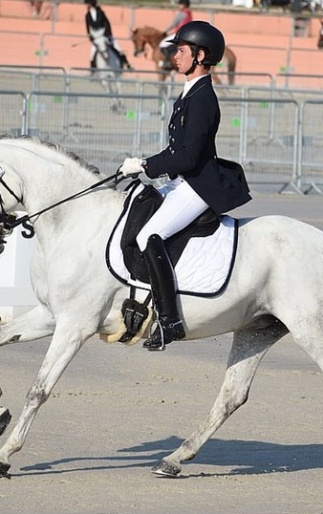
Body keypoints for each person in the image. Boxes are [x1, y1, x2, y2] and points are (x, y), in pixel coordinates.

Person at [119, 21, 251, 351]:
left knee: (150, 236)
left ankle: (170, 321)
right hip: (182, 181)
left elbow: (188, 156)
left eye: (181, 50)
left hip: (198, 185)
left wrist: (147, 166)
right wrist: (145, 165)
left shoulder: (204, 98)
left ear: (200, 55)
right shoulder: (189, 92)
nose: (174, 55)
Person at [84, 0, 131, 71]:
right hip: (96, 38)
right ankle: (93, 71)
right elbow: (88, 27)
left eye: (87, 4)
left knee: (118, 48)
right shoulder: (87, 15)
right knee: (92, 54)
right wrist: (90, 36)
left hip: (105, 34)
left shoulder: (101, 13)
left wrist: (108, 34)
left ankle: (126, 64)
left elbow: (107, 23)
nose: (86, 6)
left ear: (90, 4)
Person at [158, 0, 193, 69]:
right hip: (186, 34)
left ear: (184, 5)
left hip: (179, 34)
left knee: (162, 44)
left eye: (180, 4)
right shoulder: (189, 13)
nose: (179, 6)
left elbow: (174, 24)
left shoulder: (181, 14)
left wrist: (164, 31)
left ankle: (168, 62)